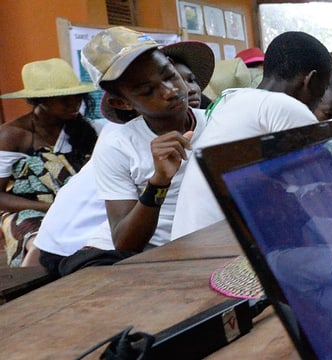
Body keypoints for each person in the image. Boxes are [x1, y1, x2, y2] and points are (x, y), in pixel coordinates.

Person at [30, 41, 214, 275]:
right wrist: (158, 183)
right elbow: (125, 244)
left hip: (199, 248)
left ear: (172, 65)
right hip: (131, 257)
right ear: (122, 102)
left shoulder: (220, 120)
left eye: (169, 75)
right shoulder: (118, 144)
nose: (170, 91)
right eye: (148, 91)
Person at [170, 31, 332, 241]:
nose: (322, 98)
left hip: (191, 241)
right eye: (325, 86)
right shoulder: (287, 107)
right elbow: (326, 190)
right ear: (310, 79)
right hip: (221, 253)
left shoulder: (232, 100)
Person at [0, 59, 99, 267]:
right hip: (27, 211)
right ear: (39, 100)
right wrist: (50, 207)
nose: (74, 104)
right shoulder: (13, 135)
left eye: (77, 97)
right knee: (39, 246)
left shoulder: (87, 130)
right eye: (64, 99)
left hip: (78, 208)